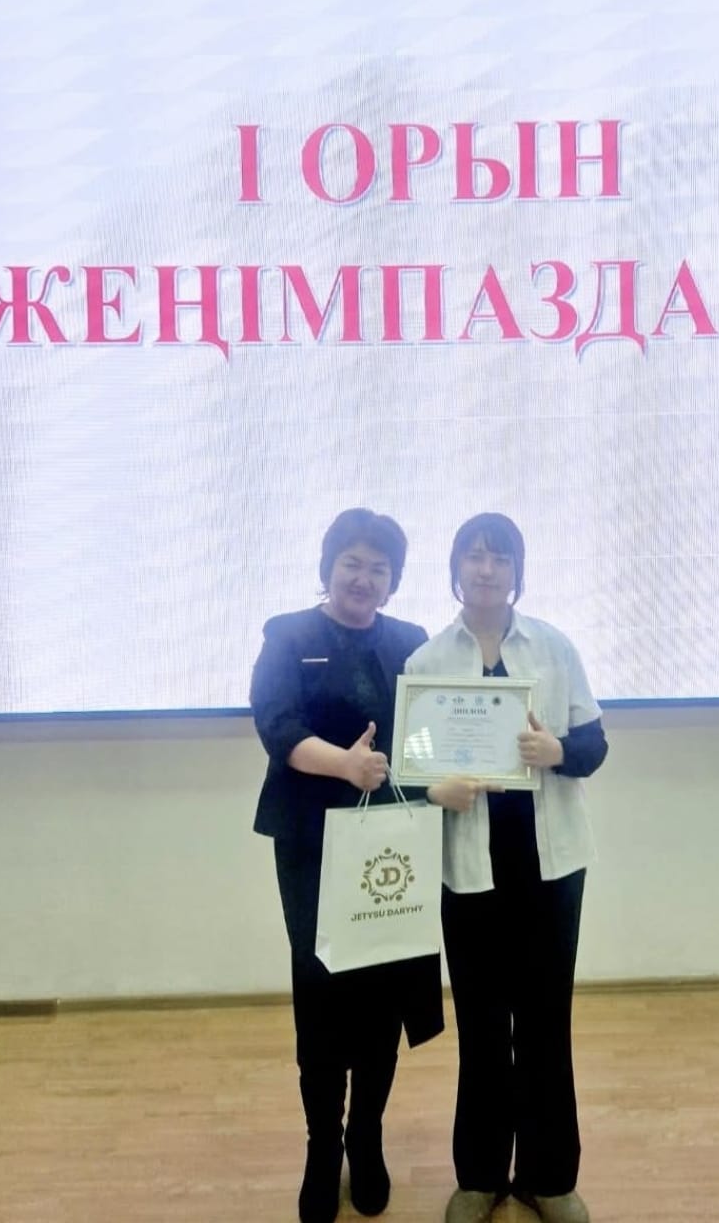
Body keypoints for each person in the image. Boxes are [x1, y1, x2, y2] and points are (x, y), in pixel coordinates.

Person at [404, 513, 609, 1223]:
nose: (487, 569)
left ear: (518, 571)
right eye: (474, 556)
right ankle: (481, 1176)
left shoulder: (553, 647)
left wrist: (559, 752)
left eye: (500, 557)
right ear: (455, 569)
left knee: (547, 1022)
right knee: (483, 1026)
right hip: (469, 871)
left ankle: (550, 1178)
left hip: (551, 867)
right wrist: (435, 788)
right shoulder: (428, 661)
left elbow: (593, 745)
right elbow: (411, 768)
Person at [250, 507, 449, 1223]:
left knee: (382, 996)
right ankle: (321, 1146)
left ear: (393, 580)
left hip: (393, 840)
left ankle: (367, 1136)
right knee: (322, 992)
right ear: (328, 567)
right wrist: (345, 764)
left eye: (379, 568)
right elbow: (277, 726)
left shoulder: (411, 642)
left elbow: (430, 731)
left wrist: (444, 775)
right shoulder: (289, 635)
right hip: (311, 842)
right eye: (352, 564)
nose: (363, 578)